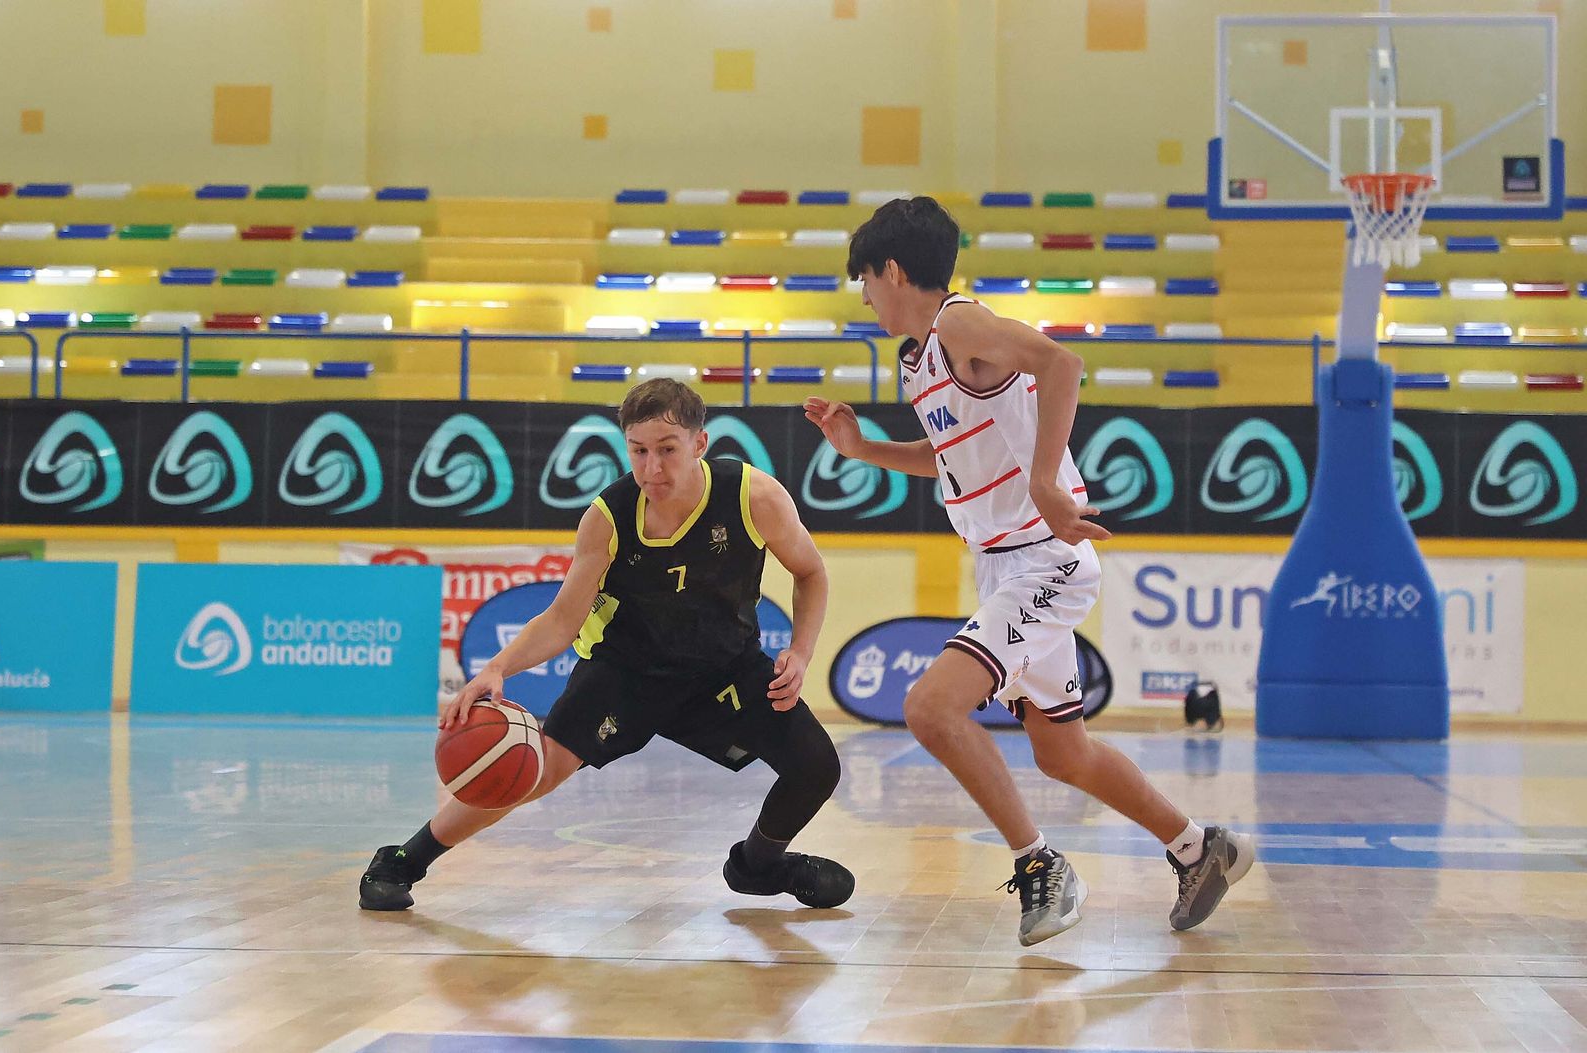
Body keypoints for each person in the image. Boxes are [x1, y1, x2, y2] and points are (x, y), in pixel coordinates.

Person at [804, 196, 1253, 946]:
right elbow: (945, 457)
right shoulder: (918, 358)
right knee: (1062, 750)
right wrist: (862, 449)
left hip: (1044, 558)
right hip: (1003, 566)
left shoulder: (957, 324)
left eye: (866, 281)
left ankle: (1041, 863)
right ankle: (1197, 847)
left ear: (891, 268)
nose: (865, 297)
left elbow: (1061, 361)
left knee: (930, 707)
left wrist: (1048, 480)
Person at [361, 379, 853, 912]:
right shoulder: (608, 517)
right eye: (638, 452)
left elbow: (810, 572)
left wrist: (800, 652)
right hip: (627, 671)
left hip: (725, 668)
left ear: (699, 445)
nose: (652, 469)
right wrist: (498, 668)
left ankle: (757, 867)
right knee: (530, 769)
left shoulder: (753, 496)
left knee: (816, 766)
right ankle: (404, 860)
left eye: (667, 450)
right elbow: (562, 620)